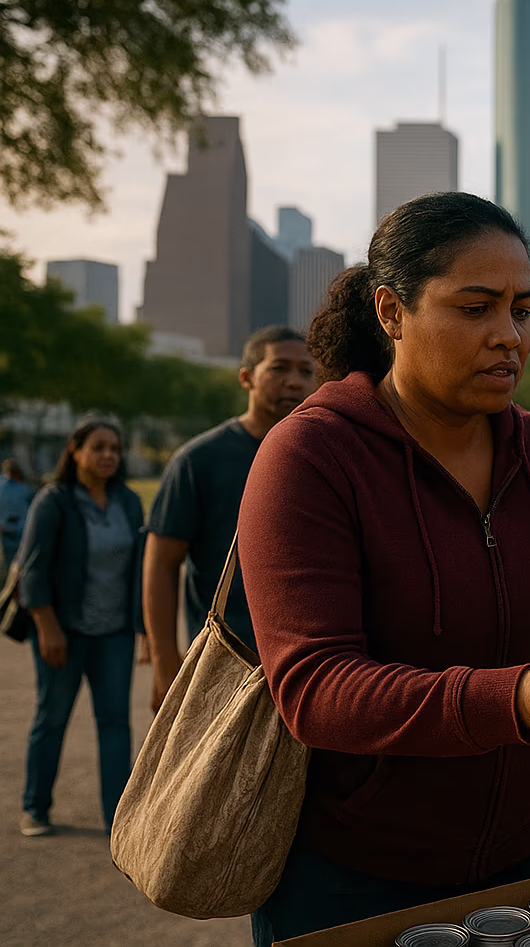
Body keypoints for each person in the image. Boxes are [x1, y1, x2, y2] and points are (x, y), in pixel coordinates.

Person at [237, 192, 530, 946]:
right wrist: (511, 699)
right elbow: (315, 687)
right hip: (356, 878)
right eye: (475, 308)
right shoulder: (310, 457)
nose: (509, 337)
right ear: (392, 311)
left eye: (522, 310)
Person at [143, 325, 315, 711]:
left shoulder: (323, 455)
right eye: (279, 368)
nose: (293, 381)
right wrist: (165, 665)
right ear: (246, 377)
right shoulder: (198, 460)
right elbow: (161, 564)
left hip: (309, 665)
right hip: (223, 662)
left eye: (306, 372)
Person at [15, 418, 144, 838]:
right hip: (63, 631)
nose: (108, 455)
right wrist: (46, 625)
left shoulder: (127, 501)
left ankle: (116, 817)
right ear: (75, 451)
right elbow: (33, 569)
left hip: (114, 635)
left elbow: (140, 570)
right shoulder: (55, 500)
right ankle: (35, 807)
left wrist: (142, 630)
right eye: (99, 447)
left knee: (115, 723)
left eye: (115, 448)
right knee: (51, 718)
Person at [2, 458, 34, 571]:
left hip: (7, 531)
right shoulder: (23, 489)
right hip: (20, 531)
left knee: (11, 566)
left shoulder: (3, 487)